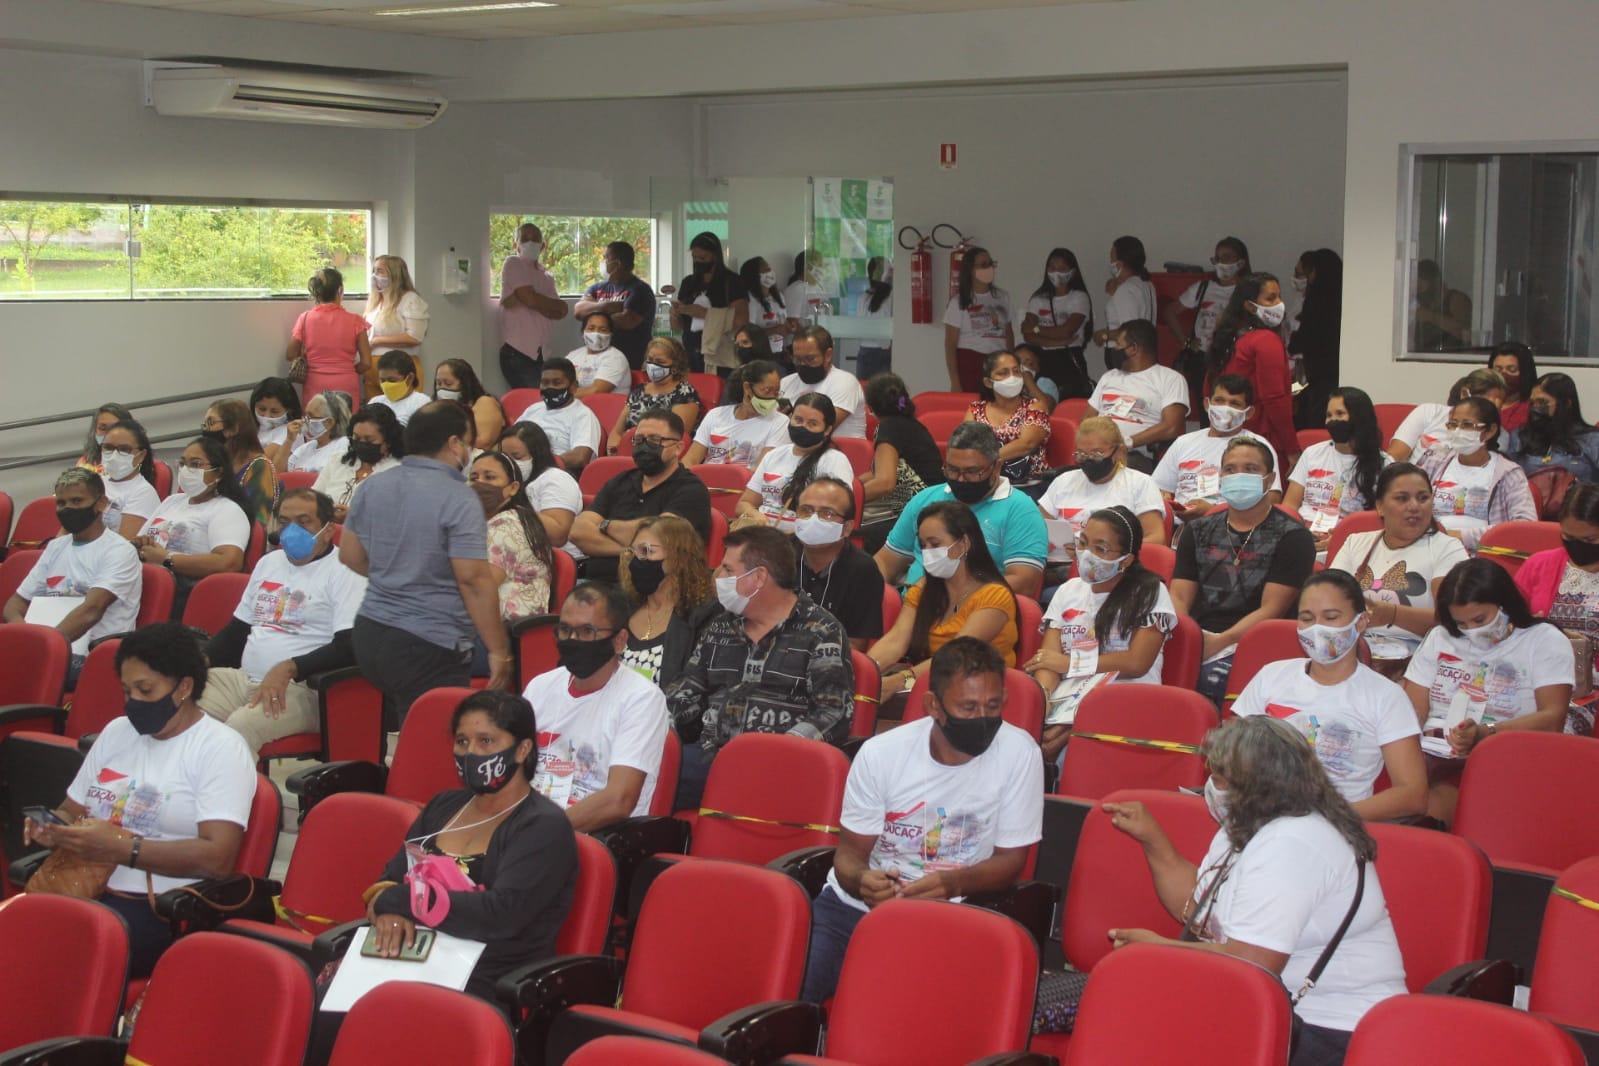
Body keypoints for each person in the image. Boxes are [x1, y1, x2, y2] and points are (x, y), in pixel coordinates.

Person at [1104, 716, 1408, 1064]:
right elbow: (1199, 913)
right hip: (1271, 1012)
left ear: (1257, 786)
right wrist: (1153, 841)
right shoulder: (1245, 828)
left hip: (1334, 1031)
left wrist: (1156, 951)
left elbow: (1254, 964)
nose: (1211, 787)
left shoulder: (1295, 842)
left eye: (1219, 779)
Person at [800, 637, 1043, 1004]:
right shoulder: (881, 754)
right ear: (933, 706)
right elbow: (848, 857)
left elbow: (1011, 860)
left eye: (993, 706)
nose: (983, 719)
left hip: (954, 912)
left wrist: (952, 883)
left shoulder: (1019, 753)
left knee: (903, 1004)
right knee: (791, 992)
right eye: (968, 707)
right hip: (853, 911)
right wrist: (864, 882)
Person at [24, 623, 255, 979]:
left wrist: (123, 849)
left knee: (52, 957)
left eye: (145, 690)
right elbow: (70, 810)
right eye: (127, 690)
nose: (133, 702)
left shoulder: (220, 748)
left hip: (161, 906)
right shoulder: (117, 732)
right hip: (84, 885)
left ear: (184, 687)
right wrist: (54, 828)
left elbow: (218, 859)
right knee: (20, 937)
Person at [365, 690, 577, 1001]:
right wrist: (388, 916)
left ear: (523, 750)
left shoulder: (544, 826)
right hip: (412, 956)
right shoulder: (444, 806)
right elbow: (389, 882)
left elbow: (500, 915)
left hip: (488, 978)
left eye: (486, 741)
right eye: (462, 741)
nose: (471, 753)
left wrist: (402, 901)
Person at [341, 402, 514, 726]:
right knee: (435, 741)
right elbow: (473, 580)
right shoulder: (459, 496)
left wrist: (396, 575)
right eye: (468, 443)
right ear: (454, 443)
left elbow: (349, 555)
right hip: (428, 641)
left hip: (369, 632)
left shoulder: (373, 485)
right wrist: (497, 650)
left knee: (407, 733)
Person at [665, 526, 853, 810]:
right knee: (645, 767)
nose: (718, 577)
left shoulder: (821, 630)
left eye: (728, 569)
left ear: (759, 577)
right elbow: (688, 688)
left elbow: (833, 713)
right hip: (709, 757)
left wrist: (773, 753)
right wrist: (655, 726)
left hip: (781, 768)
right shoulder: (721, 625)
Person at [1232, 570, 1427, 819]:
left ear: (1360, 622)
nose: (1317, 629)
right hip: (1259, 814)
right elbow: (1231, 755)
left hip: (1335, 824)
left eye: (1331, 617)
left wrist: (1331, 816)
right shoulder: (1271, 676)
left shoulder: (1386, 697)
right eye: (1307, 618)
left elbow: (1412, 795)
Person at [1403, 559, 1574, 824]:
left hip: (1509, 753)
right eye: (1461, 624)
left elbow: (1553, 718)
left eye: (1480, 620)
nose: (1472, 631)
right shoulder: (1440, 637)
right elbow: (1415, 707)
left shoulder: (1543, 640)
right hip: (1436, 751)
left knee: (1433, 802)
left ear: (1504, 604)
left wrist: (1486, 734)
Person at [198, 488, 365, 757]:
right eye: (285, 522)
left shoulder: (345, 569)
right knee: (176, 697)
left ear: (328, 530)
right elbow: (238, 631)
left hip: (303, 689)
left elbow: (350, 646)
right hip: (244, 680)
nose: (292, 530)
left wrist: (290, 668)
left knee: (240, 727)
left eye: (304, 522)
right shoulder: (269, 563)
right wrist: (197, 662)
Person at [1172, 437, 1316, 704]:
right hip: (1199, 635)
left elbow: (1272, 609)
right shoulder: (1197, 530)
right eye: (1230, 469)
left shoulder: (1293, 537)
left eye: (1250, 469)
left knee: (1210, 680)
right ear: (1220, 477)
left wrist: (1219, 642)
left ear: (1269, 479)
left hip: (1256, 641)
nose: (1238, 476)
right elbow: (1179, 597)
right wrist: (1189, 638)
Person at [1028, 506, 1176, 762]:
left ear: (1126, 560)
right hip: (1069, 698)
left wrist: (1070, 664)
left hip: (1127, 699)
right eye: (1083, 543)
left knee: (1072, 746)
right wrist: (1045, 700)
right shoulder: (1068, 590)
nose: (1087, 554)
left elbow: (1136, 663)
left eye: (1101, 548)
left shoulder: (1150, 591)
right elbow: (1048, 660)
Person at [521, 583, 670, 829]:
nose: (573, 640)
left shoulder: (641, 699)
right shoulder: (540, 686)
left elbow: (618, 801)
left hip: (593, 832)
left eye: (587, 631)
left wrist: (542, 832)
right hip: (533, 820)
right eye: (565, 630)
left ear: (619, 640)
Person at [868, 501, 1021, 707]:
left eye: (935, 544)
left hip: (980, 694)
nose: (928, 552)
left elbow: (955, 656)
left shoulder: (995, 595)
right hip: (930, 686)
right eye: (923, 546)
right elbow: (896, 640)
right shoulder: (924, 588)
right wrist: (865, 672)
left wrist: (899, 681)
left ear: (964, 543)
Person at [876, 421, 1048, 599]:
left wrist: (953, 596)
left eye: (972, 471)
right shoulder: (925, 499)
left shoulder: (1020, 510)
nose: (961, 479)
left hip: (978, 610)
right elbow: (885, 561)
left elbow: (1024, 583)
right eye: (952, 470)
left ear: (996, 467)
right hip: (911, 606)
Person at [1328, 463, 1467, 672]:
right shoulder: (1355, 543)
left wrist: (1392, 614)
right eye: (1402, 498)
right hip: (1353, 654)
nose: (1414, 506)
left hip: (1418, 662)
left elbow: (1455, 619)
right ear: (1380, 507)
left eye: (1423, 498)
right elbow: (1328, 602)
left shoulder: (1447, 548)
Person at [4, 468, 141, 677]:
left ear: (101, 504)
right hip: (48, 647)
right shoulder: (56, 547)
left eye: (77, 501)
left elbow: (91, 610)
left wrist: (42, 647)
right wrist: (25, 639)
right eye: (61, 503)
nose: (68, 508)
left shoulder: (119, 551)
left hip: (91, 656)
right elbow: (14, 604)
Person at [570, 409, 712, 583]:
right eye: (639, 440)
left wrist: (605, 525)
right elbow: (578, 531)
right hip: (595, 581)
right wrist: (630, 552)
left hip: (655, 587)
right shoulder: (620, 482)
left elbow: (657, 538)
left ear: (678, 448)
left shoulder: (691, 490)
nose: (644, 447)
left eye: (654, 440)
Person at [135, 436, 251, 614]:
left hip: (184, 594)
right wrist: (141, 544)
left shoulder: (227, 509)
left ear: (218, 473)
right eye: (183, 464)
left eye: (195, 464)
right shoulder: (172, 501)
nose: (186, 470)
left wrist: (167, 559)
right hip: (144, 583)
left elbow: (229, 562)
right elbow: (141, 540)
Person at [1154, 374, 1281, 525]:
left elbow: (1272, 498)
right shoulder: (1183, 442)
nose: (1225, 408)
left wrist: (1214, 511)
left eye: (1235, 403)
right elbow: (1158, 489)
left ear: (1248, 413)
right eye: (1219, 401)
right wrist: (1168, 501)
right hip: (1182, 526)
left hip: (1234, 525)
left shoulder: (1258, 445)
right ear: (1207, 404)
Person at [1514, 482, 1599, 706]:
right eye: (1568, 537)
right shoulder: (1539, 564)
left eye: (1590, 540)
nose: (1578, 546)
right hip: (1537, 679)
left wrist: (1588, 649)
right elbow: (1507, 622)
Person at [1415, 396, 1537, 549]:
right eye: (1453, 424)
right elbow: (1411, 503)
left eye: (1467, 425)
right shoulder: (1435, 460)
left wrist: (1460, 537)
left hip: (1483, 552)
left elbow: (1525, 525)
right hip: (1431, 547)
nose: (1458, 431)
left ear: (1490, 431)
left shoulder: (1509, 473)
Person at [1206, 273, 1297, 471]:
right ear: (1250, 306)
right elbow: (1274, 400)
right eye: (1271, 298)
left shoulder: (1231, 337)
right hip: (1262, 440)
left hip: (1228, 434)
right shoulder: (1265, 340)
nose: (1279, 304)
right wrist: (1292, 449)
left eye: (1279, 297)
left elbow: (1209, 387)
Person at [1037, 416, 1166, 551]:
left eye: (1096, 454)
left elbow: (1155, 538)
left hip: (1110, 560)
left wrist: (1104, 553)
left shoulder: (1141, 483)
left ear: (1118, 451)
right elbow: (1036, 526)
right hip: (1060, 559)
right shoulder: (1064, 481)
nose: (1088, 460)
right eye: (1081, 454)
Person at [1285, 387, 1391, 549]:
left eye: (1340, 414)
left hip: (1351, 540)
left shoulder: (1384, 464)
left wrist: (1340, 539)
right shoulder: (1312, 453)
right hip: (1304, 534)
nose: (1332, 421)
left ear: (1359, 417)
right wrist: (1297, 534)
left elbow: (1380, 519)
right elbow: (1290, 505)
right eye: (1329, 415)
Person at [618, 515, 716, 685]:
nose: (636, 561)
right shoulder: (621, 606)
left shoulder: (704, 616)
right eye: (633, 552)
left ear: (680, 558)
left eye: (647, 551)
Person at [736, 392, 855, 533]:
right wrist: (756, 516)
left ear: (827, 430)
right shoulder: (773, 455)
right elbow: (744, 504)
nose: (803, 427)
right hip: (764, 535)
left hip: (803, 539)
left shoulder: (834, 461)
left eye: (812, 424)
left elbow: (833, 516)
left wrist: (792, 535)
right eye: (798, 420)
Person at [793, 478, 885, 652]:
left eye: (827, 514)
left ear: (847, 527)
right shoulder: (777, 554)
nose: (813, 520)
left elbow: (855, 645)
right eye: (806, 510)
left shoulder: (862, 570)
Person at [1087, 318, 1189, 472]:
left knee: (1107, 472)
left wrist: (1126, 443)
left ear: (1133, 348)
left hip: (1134, 455)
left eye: (1118, 344)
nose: (1115, 349)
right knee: (1063, 477)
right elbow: (1088, 418)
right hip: (1096, 453)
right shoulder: (1109, 376)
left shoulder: (1170, 379)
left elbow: (1171, 427)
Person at [468, 451, 556, 623]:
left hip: (507, 628)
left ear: (513, 488)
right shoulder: (493, 520)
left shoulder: (506, 525)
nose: (480, 483)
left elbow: (479, 590)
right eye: (474, 478)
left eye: (489, 477)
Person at [858, 372, 943, 545]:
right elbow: (878, 473)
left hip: (921, 511)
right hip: (932, 504)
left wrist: (845, 499)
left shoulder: (888, 428)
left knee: (850, 529)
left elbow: (884, 483)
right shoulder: (911, 424)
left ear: (871, 406)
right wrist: (850, 485)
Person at [964, 350, 1052, 487]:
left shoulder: (1034, 407)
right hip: (984, 481)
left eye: (1016, 371)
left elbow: (1026, 445)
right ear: (988, 382)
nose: (1012, 377)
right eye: (1003, 373)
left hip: (1028, 482)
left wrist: (983, 460)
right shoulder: (976, 410)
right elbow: (965, 444)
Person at [499, 222, 569, 389]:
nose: (530, 243)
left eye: (535, 239)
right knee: (533, 399)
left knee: (544, 398)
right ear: (516, 245)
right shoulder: (513, 263)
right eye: (525, 239)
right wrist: (537, 302)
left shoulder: (547, 276)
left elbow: (561, 311)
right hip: (518, 353)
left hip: (542, 354)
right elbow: (530, 299)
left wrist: (531, 298)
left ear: (542, 246)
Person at [683, 358, 788, 468]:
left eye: (776, 393)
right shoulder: (715, 415)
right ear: (747, 387)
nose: (772, 398)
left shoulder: (779, 422)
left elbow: (761, 470)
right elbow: (691, 460)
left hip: (745, 479)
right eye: (767, 391)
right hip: (706, 477)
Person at [287, 267, 370, 403]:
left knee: (316, 416)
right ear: (340, 290)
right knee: (346, 416)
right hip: (346, 382)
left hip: (314, 382)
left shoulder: (305, 318)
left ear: (316, 292)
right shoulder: (356, 321)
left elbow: (290, 354)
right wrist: (348, 370)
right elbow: (366, 363)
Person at [1164, 236, 1250, 368]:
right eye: (1217, 258)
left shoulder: (1248, 290)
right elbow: (1169, 312)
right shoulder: (1203, 287)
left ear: (1241, 263)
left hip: (1232, 357)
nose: (1221, 262)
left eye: (1227, 257)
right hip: (1201, 357)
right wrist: (1185, 340)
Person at [1386, 369, 1507, 463]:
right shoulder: (1429, 412)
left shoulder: (1496, 435)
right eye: (1483, 404)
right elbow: (1395, 456)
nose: (1488, 413)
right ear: (1464, 394)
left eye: (1495, 409)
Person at [1021, 246, 1094, 398]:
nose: (1056, 273)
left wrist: (1037, 329)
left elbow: (1067, 331)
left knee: (1070, 401)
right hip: (1042, 358)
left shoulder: (1079, 297)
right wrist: (1058, 342)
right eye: (1052, 268)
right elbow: (1027, 334)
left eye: (1062, 268)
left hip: (1069, 358)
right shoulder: (1038, 298)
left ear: (1072, 271)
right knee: (1042, 400)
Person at [312, 404, 404, 525]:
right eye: (356, 438)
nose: (361, 443)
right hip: (324, 531)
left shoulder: (399, 472)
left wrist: (355, 518)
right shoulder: (338, 460)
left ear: (388, 441)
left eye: (369, 440)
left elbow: (395, 520)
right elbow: (313, 499)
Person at [672, 231, 749, 376]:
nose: (698, 262)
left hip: (721, 356)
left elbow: (741, 320)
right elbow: (678, 327)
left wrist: (704, 314)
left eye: (703, 258)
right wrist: (676, 314)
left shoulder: (732, 282)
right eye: (694, 257)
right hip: (691, 354)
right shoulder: (688, 283)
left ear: (715, 256)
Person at [607, 336, 703, 451]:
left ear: (675, 366)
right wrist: (613, 451)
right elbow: (617, 432)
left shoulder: (685, 394)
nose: (653, 365)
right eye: (650, 360)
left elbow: (677, 437)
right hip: (627, 451)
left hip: (659, 454)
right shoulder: (638, 391)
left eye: (659, 362)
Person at [498, 423, 582, 550]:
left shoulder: (556, 479)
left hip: (557, 556)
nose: (510, 463)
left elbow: (558, 536)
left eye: (517, 457)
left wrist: (512, 506)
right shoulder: (510, 483)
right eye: (505, 458)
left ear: (537, 455)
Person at [1505, 371, 1599, 485]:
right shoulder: (1520, 436)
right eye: (1533, 403)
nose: (1536, 408)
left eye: (1542, 402)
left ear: (1566, 404)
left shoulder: (1592, 439)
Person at [574, 240, 656, 369]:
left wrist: (593, 315)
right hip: (599, 358)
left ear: (617, 264)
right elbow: (579, 311)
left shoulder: (640, 290)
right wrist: (606, 306)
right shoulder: (598, 287)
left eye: (606, 258)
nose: (603, 262)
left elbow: (626, 321)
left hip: (631, 359)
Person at [942, 246, 1013, 392]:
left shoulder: (1002, 297)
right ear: (970, 270)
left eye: (991, 264)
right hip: (970, 363)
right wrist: (955, 382)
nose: (989, 268)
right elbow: (950, 344)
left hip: (998, 362)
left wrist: (1012, 364)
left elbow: (1009, 333)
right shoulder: (958, 302)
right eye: (984, 265)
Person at [511, 358, 602, 473]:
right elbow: (510, 439)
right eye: (545, 383)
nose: (550, 387)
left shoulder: (583, 415)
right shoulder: (533, 409)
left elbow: (580, 457)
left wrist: (538, 464)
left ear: (573, 387)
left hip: (557, 473)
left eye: (557, 383)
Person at [362, 254, 430, 402]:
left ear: (395, 274)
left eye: (380, 271)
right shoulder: (375, 302)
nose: (375, 275)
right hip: (373, 369)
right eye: (374, 271)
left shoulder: (410, 299)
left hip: (399, 368)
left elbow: (415, 337)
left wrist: (377, 341)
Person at [780, 326, 868, 439]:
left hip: (840, 448)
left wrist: (782, 420)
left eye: (810, 359)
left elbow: (819, 430)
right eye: (797, 359)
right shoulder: (786, 383)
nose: (803, 364)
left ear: (828, 355)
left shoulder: (845, 382)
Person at [1289, 248, 1343, 429]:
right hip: (1331, 372)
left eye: (1306, 273)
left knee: (1316, 419)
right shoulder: (1343, 297)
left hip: (1320, 374)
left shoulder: (1317, 301)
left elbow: (1306, 338)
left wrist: (1292, 342)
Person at [203, 398, 276, 530]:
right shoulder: (214, 462)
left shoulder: (260, 465)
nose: (206, 429)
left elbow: (258, 520)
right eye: (205, 424)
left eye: (211, 423)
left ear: (234, 428)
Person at [1092, 236, 1156, 369]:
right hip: (1143, 351)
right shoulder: (1146, 284)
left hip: (1125, 354)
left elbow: (1130, 331)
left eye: (1112, 258)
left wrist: (1104, 335)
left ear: (1120, 264)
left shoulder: (1126, 289)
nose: (1110, 263)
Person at [97, 418, 161, 539]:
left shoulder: (143, 492)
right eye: (108, 447)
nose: (114, 455)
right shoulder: (95, 483)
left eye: (124, 449)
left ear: (141, 455)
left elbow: (124, 544)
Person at [276, 389, 353, 475]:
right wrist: (289, 440)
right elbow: (275, 476)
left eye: (310, 416)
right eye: (305, 415)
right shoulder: (305, 448)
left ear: (329, 422)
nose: (304, 421)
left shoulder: (343, 445)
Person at [434, 358, 506, 449]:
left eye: (448, 384)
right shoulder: (438, 409)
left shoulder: (485, 402)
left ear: (465, 384)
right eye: (439, 384)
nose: (441, 389)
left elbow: (484, 442)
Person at [566, 310, 631, 397]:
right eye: (591, 328)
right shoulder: (573, 355)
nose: (596, 333)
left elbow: (596, 391)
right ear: (583, 332)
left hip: (605, 405)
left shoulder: (615, 358)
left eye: (603, 330)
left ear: (610, 334)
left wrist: (561, 396)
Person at [1412, 258, 1473, 350]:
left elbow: (1465, 333)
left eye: (1421, 287)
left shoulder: (1456, 299)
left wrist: (1431, 316)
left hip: (1452, 356)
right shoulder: (1422, 302)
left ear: (1435, 282)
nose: (1419, 292)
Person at [740, 255, 791, 359]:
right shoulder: (749, 300)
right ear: (754, 276)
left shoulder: (778, 296)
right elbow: (748, 333)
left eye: (769, 269)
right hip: (760, 355)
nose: (770, 272)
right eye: (765, 270)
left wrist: (789, 328)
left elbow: (783, 323)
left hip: (779, 352)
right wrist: (775, 330)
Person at [854, 254, 894, 382]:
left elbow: (859, 328)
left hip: (864, 351)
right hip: (883, 351)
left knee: (864, 390)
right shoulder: (891, 297)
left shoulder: (863, 297)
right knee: (884, 391)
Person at [368, 349, 431, 427]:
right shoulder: (375, 401)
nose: (386, 385)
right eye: (382, 380)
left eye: (392, 380)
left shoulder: (422, 403)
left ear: (410, 378)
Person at [1487, 342, 1536, 433]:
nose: (1503, 374)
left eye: (1511, 369)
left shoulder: (1532, 408)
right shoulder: (1481, 403)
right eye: (1498, 369)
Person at [249, 376, 302, 453]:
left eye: (274, 411)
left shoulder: (291, 432)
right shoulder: (252, 427)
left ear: (289, 410)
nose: (266, 416)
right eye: (262, 409)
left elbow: (261, 459)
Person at [77, 403, 134, 474]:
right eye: (103, 428)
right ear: (95, 431)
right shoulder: (85, 464)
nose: (108, 434)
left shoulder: (141, 461)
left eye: (116, 428)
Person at [1014, 343, 1060, 410]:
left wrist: (1027, 378)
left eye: (1029, 364)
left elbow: (1046, 408)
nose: (1022, 367)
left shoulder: (1044, 382)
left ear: (1038, 366)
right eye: (1017, 363)